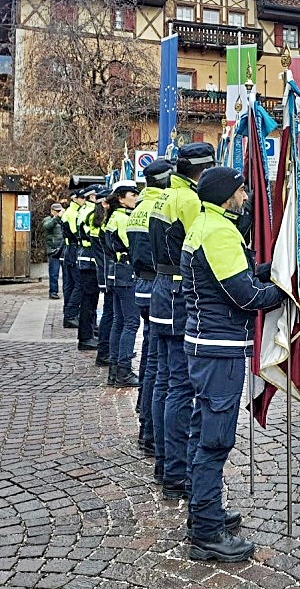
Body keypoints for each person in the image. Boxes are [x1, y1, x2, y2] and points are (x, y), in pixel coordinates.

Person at [181, 166, 286, 562]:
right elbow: (242, 296)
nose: (245, 198)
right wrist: (283, 291)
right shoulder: (220, 231)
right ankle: (207, 533)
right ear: (227, 195)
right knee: (215, 440)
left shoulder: (206, 223)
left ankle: (203, 514)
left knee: (202, 433)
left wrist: (265, 272)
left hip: (205, 345)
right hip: (218, 350)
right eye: (241, 192)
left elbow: (231, 277)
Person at [149, 142, 215, 499]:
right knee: (179, 385)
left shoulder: (165, 195)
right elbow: (202, 246)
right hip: (177, 291)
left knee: (163, 381)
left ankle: (165, 462)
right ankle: (176, 471)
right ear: (202, 171)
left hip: (163, 286)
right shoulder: (189, 201)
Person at [128, 159, 174, 457]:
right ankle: (151, 434)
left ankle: (146, 425)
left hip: (143, 286)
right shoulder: (163, 206)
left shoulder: (138, 208)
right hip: (160, 286)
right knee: (158, 365)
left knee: (150, 359)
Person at [104, 180, 141, 387]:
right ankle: (124, 371)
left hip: (117, 273)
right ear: (120, 198)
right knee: (131, 323)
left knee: (119, 322)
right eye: (132, 194)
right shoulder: (124, 219)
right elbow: (132, 246)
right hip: (127, 273)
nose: (136, 197)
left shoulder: (114, 217)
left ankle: (115, 370)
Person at [76, 185, 102, 352]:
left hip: (87, 258)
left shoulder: (85, 209)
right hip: (89, 259)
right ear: (92, 197)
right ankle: (85, 337)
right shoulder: (90, 212)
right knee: (89, 299)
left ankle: (89, 332)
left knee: (90, 299)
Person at [90, 188, 113, 367]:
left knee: (109, 314)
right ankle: (105, 352)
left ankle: (105, 351)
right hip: (108, 272)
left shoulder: (97, 220)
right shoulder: (106, 223)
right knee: (111, 315)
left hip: (103, 271)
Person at [60, 189, 86, 327]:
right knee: (78, 284)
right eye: (82, 198)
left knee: (70, 284)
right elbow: (77, 233)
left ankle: (69, 313)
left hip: (70, 250)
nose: (84, 200)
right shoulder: (73, 213)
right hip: (73, 250)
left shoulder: (71, 211)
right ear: (75, 199)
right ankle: (70, 314)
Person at [42, 203, 64, 299]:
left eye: (60, 211)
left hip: (63, 249)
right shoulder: (48, 219)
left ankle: (66, 291)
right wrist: (56, 218)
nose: (59, 213)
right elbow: (47, 226)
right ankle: (53, 292)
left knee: (67, 274)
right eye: (57, 211)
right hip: (53, 250)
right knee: (54, 273)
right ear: (52, 211)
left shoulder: (63, 219)